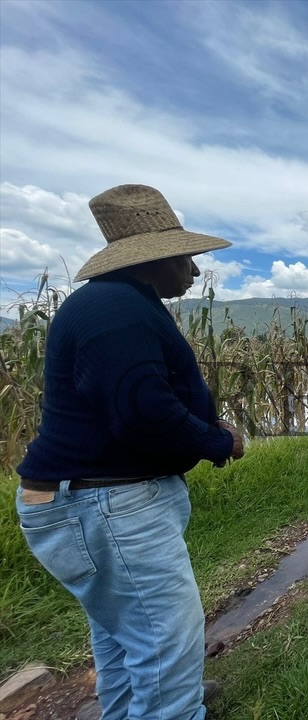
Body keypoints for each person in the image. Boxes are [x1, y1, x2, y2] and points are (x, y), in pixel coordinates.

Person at [15, 184, 244, 720]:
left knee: (124, 637)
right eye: (186, 256)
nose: (193, 269)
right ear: (155, 259)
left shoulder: (112, 303)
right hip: (107, 507)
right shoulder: (119, 310)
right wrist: (220, 441)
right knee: (168, 645)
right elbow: (144, 414)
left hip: (91, 503)